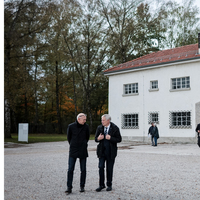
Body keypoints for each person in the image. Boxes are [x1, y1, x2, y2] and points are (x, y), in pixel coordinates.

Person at [95, 114, 122, 192]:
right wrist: (98, 138)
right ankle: (101, 185)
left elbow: (119, 139)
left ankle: (109, 184)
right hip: (101, 152)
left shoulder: (115, 128)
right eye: (101, 120)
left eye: (103, 120)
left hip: (111, 152)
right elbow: (96, 139)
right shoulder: (99, 128)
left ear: (108, 120)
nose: (102, 121)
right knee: (100, 167)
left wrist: (111, 138)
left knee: (109, 169)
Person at [65, 113, 90, 194]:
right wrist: (73, 144)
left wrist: (84, 143)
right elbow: (69, 138)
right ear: (79, 119)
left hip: (83, 149)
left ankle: (82, 186)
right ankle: (69, 187)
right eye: (84, 119)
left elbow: (87, 137)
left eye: (85, 119)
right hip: (73, 149)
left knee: (83, 169)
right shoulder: (71, 126)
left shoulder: (86, 127)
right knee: (70, 169)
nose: (85, 121)